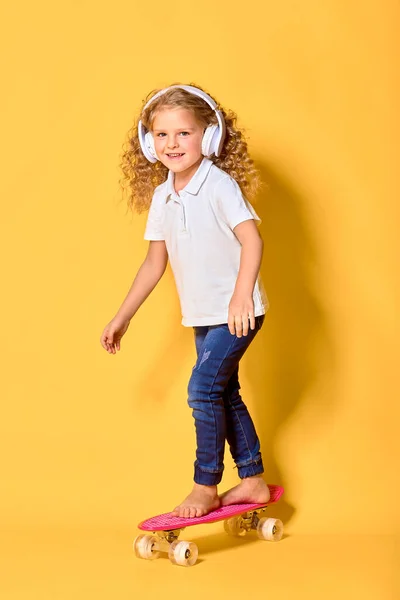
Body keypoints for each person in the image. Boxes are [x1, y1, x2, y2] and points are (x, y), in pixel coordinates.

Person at [100, 82, 271, 518]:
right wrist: (123, 317)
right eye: (161, 135)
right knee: (223, 392)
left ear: (208, 136)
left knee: (201, 391)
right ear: (147, 142)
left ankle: (205, 485)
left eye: (184, 133)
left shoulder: (219, 185)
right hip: (203, 314)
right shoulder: (163, 195)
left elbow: (252, 241)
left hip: (238, 312)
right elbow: (153, 264)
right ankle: (252, 479)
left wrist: (239, 298)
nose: (172, 144)